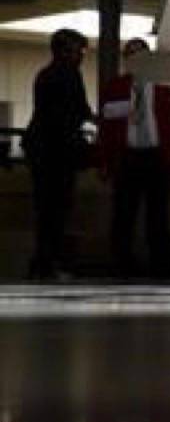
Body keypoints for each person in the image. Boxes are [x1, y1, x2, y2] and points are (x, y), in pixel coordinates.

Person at [98, 38, 170, 278]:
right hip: (127, 157)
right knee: (123, 214)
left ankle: (161, 265)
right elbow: (106, 127)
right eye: (131, 56)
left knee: (158, 215)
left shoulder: (168, 86)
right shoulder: (115, 88)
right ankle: (122, 264)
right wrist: (105, 161)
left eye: (142, 56)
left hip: (158, 157)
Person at [22, 28, 94, 279]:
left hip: (41, 148)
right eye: (79, 51)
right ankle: (50, 263)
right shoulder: (69, 74)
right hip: (57, 151)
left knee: (45, 209)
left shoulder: (45, 74)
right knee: (58, 208)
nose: (82, 56)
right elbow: (77, 111)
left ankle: (43, 262)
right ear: (66, 51)